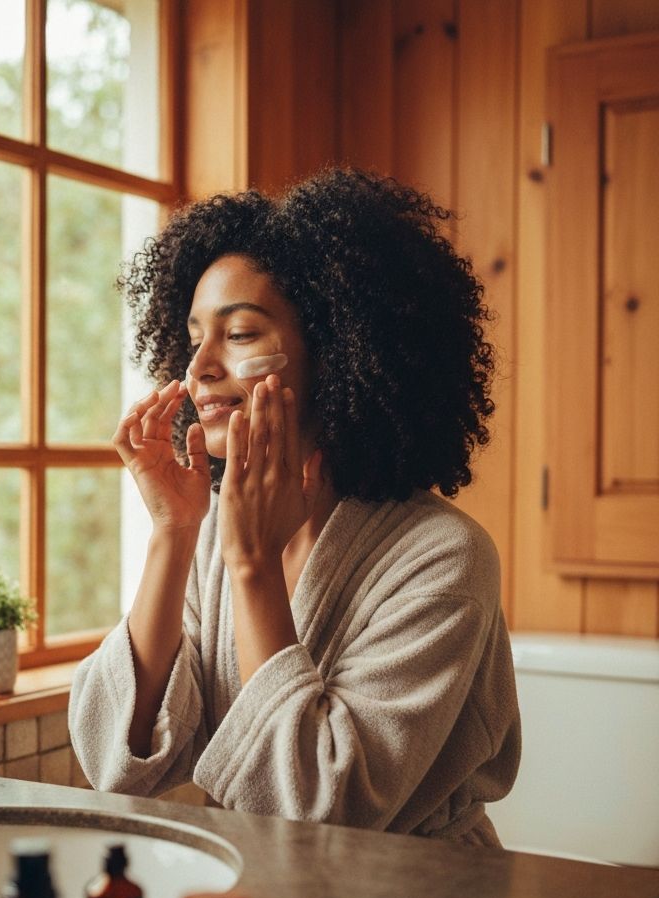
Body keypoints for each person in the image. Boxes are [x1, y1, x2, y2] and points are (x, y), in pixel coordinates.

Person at [68, 168, 520, 846]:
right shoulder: (216, 526)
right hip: (261, 893)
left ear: (338, 353)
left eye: (241, 334)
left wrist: (252, 567)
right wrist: (174, 529)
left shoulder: (443, 556)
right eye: (194, 338)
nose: (199, 369)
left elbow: (324, 809)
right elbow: (116, 761)